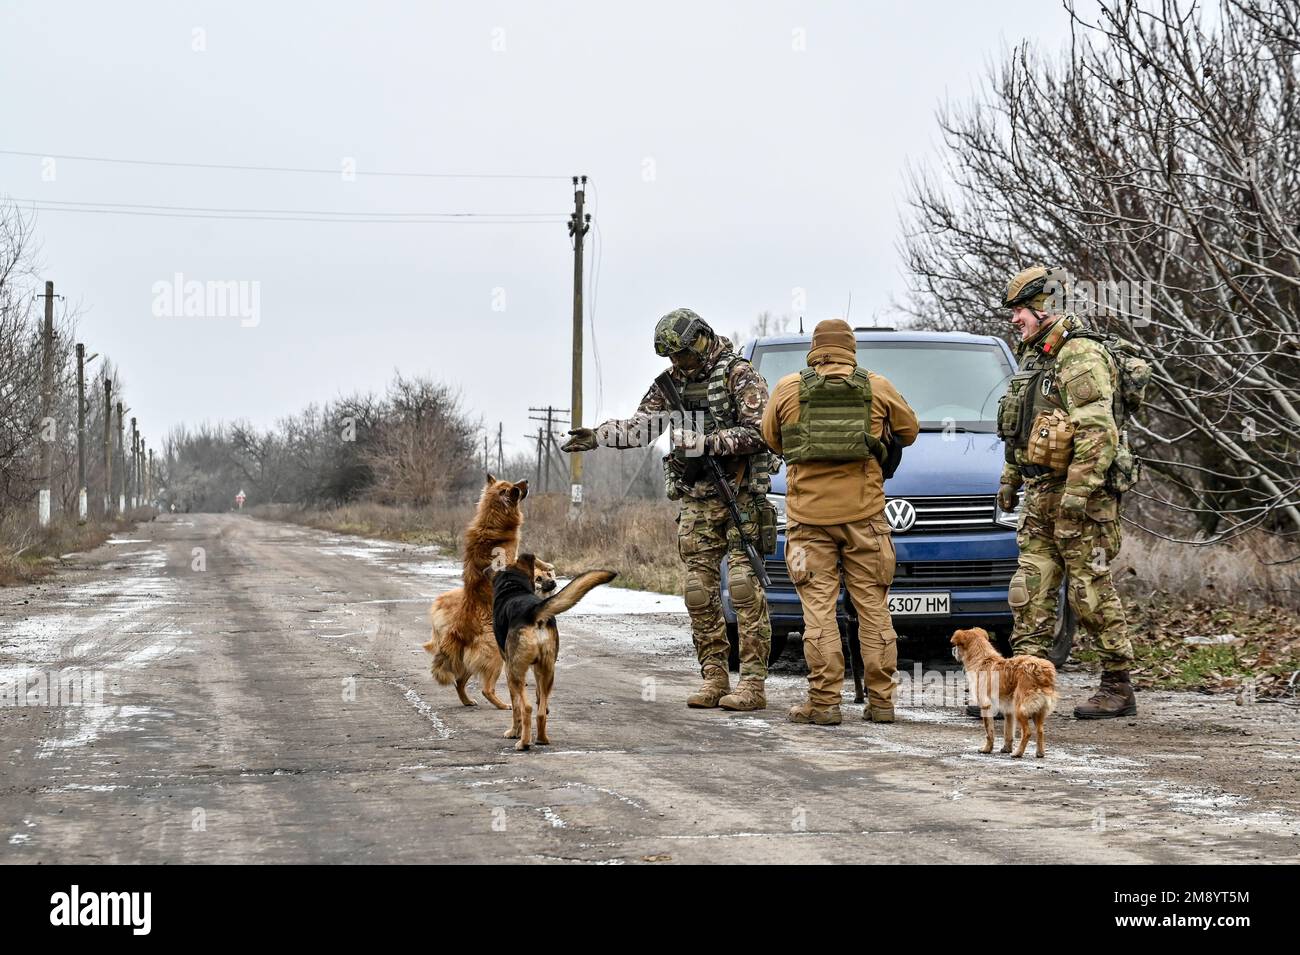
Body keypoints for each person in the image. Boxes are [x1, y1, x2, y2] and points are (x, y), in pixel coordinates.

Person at [561, 308, 777, 711]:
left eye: (682, 354)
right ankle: (714, 677)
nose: (678, 363)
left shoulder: (739, 375)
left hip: (741, 495)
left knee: (746, 591)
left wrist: (707, 443)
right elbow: (641, 427)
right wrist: (598, 435)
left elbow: (759, 432)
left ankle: (752, 684)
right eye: (672, 357)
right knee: (698, 592)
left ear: (700, 340)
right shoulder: (671, 383)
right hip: (697, 498)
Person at [760, 319, 918, 724]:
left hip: (808, 522)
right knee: (874, 609)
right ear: (851, 349)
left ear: (814, 349)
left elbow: (771, 438)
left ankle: (825, 702)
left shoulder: (787, 388)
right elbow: (909, 431)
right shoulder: (877, 386)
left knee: (818, 612)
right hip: (865, 519)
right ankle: (882, 702)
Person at [997, 266, 1136, 719]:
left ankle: (1117, 684)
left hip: (1083, 500)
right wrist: (1010, 478)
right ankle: (1023, 686)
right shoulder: (1035, 359)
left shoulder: (1079, 355)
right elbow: (1023, 429)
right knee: (1030, 589)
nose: (1015, 319)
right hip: (1040, 495)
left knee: (1089, 590)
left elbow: (1098, 431)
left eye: (1020, 310)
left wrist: (1078, 496)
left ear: (1045, 307)